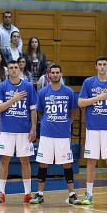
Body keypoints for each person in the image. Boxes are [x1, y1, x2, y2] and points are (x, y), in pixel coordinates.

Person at [76, 57, 107, 206]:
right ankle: (89, 194)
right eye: (99, 65)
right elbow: (80, 103)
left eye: (104, 65)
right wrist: (99, 97)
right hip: (93, 128)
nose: (102, 67)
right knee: (91, 161)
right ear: (96, 67)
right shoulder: (89, 82)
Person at [30, 64, 78, 204]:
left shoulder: (69, 92)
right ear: (49, 75)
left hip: (63, 135)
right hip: (46, 134)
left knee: (67, 164)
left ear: (61, 74)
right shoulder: (43, 92)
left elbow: (74, 111)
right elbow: (39, 111)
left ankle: (72, 194)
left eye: (58, 72)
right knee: (43, 163)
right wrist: (45, 121)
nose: (55, 75)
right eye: (53, 73)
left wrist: (67, 123)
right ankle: (39, 194)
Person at [0, 60, 38, 203]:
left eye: (16, 67)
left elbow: (33, 109)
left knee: (25, 161)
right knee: (4, 160)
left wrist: (33, 128)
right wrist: (14, 99)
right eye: (11, 67)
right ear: (7, 70)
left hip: (24, 131)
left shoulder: (28, 86)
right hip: (6, 130)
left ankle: (27, 193)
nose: (13, 70)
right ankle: (1, 192)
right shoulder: (2, 86)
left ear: (20, 69)